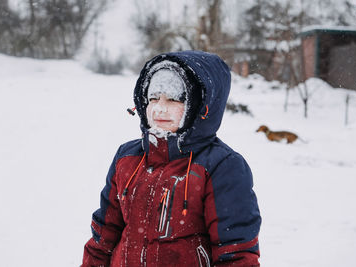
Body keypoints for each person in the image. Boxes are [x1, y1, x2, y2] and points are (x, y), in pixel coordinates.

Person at [82, 50, 261, 266]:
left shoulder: (222, 166)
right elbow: (104, 236)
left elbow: (236, 254)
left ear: (199, 106)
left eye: (174, 99)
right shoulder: (128, 158)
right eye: (153, 98)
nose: (159, 108)